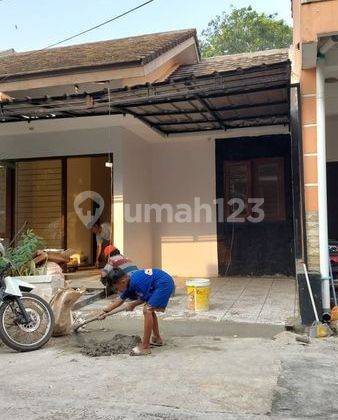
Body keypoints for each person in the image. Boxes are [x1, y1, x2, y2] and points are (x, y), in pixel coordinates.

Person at [98, 268, 175, 356]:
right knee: (150, 309)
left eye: (116, 288)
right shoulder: (128, 283)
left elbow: (145, 298)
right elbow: (120, 299)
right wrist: (105, 311)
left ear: (122, 281)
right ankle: (157, 338)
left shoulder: (137, 282)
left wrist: (133, 304)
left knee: (147, 310)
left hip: (164, 284)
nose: (117, 291)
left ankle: (145, 347)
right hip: (158, 284)